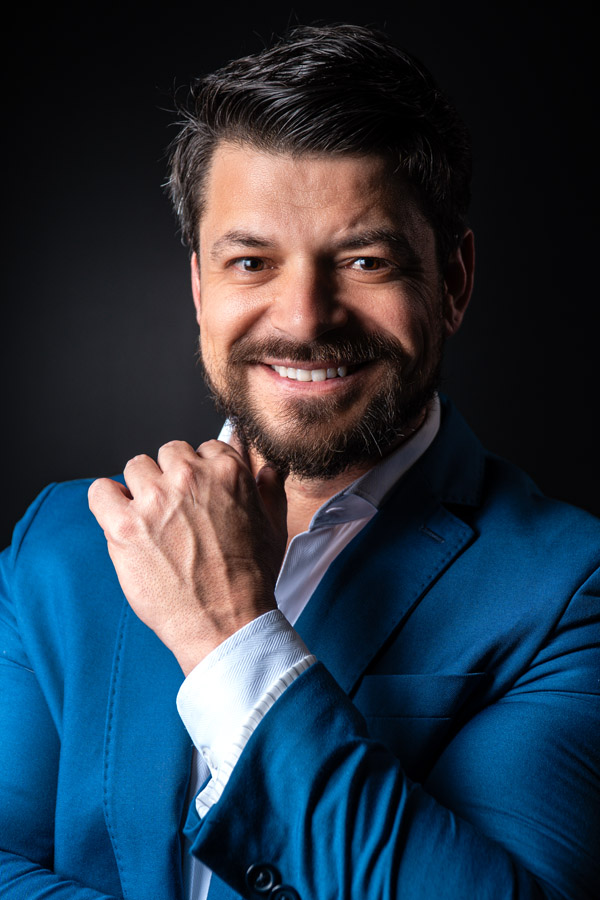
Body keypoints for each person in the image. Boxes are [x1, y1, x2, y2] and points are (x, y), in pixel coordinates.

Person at [1, 22, 598, 900]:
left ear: (455, 282)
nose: (306, 318)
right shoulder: (63, 541)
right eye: (251, 262)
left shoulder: (573, 590)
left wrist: (229, 636)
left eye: (364, 260)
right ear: (200, 287)